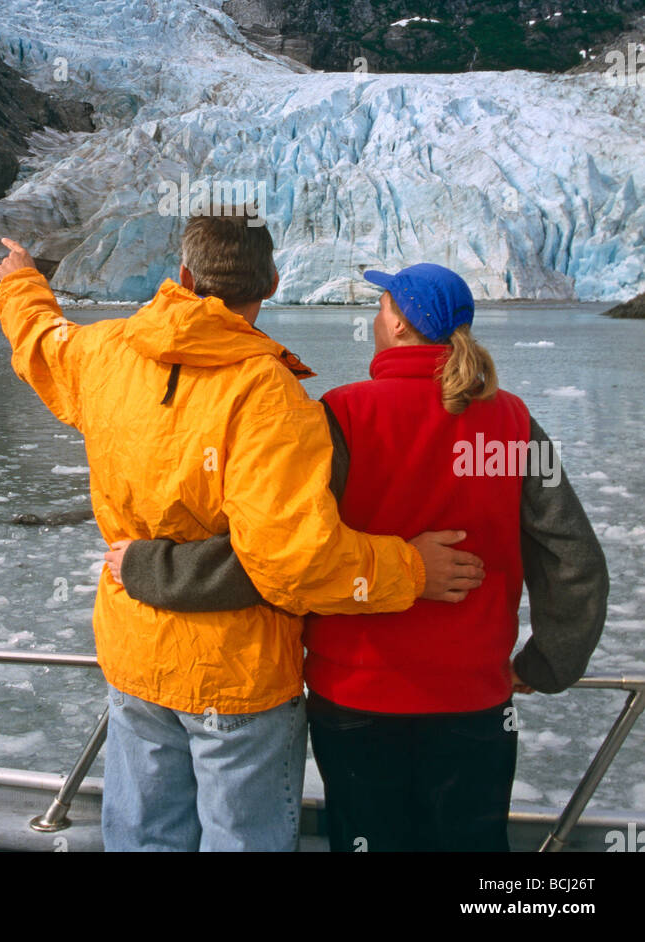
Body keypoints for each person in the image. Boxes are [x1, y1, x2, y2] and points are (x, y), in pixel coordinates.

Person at [0, 221, 486, 852]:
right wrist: (410, 569)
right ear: (273, 284)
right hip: (240, 679)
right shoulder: (268, 393)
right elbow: (296, 561)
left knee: (143, 840)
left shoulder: (107, 353)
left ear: (185, 277)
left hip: (135, 656)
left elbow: (42, 342)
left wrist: (21, 284)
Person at [109, 262, 609, 852]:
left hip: (356, 697)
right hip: (476, 698)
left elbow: (277, 555)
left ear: (397, 324)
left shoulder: (341, 416)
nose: (375, 319)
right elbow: (574, 561)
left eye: (381, 307)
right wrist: (546, 664)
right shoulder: (513, 424)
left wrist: (150, 568)